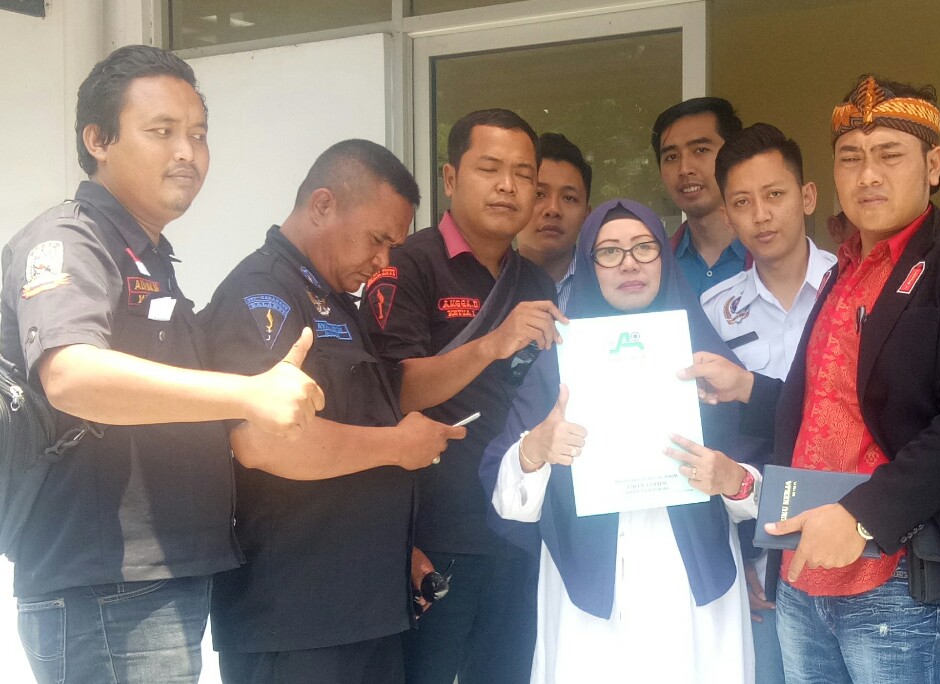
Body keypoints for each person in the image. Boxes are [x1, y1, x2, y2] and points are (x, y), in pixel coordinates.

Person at [0, 45, 323, 684]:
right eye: (162, 131)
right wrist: (248, 393)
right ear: (98, 140)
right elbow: (71, 376)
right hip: (106, 586)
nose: (187, 152)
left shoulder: (147, 256)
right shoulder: (70, 240)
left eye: (198, 134)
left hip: (148, 581)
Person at [684, 74, 940, 684]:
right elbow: (824, 407)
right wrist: (746, 388)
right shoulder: (843, 272)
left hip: (900, 581)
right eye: (851, 158)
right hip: (804, 578)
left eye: (890, 155)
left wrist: (861, 516)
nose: (868, 175)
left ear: (933, 165)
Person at [199, 140, 466, 683]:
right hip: (295, 621)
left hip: (364, 609)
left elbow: (358, 424)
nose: (384, 260)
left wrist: (397, 548)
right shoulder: (262, 292)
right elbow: (262, 443)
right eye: (378, 239)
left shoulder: (337, 300)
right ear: (323, 205)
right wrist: (399, 447)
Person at [480, 199, 758, 682]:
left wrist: (732, 479)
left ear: (664, 257)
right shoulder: (556, 365)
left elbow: (761, 484)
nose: (629, 263)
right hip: (589, 598)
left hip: (693, 590)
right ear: (588, 266)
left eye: (644, 247)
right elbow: (507, 499)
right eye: (609, 252)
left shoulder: (711, 364)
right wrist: (535, 449)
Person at [361, 109, 563, 684]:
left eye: (523, 174)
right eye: (490, 168)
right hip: (433, 536)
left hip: (517, 530)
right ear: (450, 178)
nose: (507, 186)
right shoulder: (406, 263)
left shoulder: (536, 282)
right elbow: (391, 391)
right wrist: (491, 345)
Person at [701, 122, 837, 684]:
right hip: (760, 552)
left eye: (775, 194)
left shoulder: (854, 290)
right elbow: (715, 438)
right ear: (726, 217)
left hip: (856, 533)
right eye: (742, 202)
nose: (761, 215)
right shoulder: (713, 311)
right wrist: (742, 555)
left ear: (807, 196)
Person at [651, 97, 750, 296]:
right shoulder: (652, 266)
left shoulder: (774, 257)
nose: (684, 169)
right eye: (671, 157)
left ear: (735, 159)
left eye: (700, 150)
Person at [515, 132, 591, 310]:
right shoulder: (488, 283)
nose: (553, 210)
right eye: (539, 194)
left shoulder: (609, 282)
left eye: (569, 198)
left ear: (586, 216)